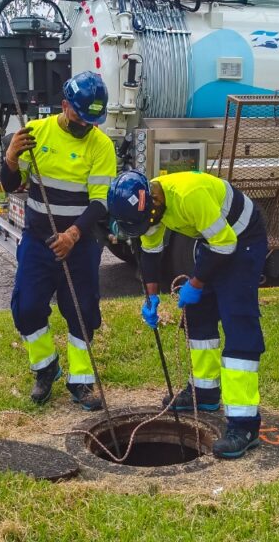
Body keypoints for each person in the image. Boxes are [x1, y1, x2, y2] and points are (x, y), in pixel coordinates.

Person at [107, 170, 268, 459]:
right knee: (197, 314)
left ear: (154, 205)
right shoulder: (151, 207)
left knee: (238, 322)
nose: (146, 227)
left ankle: (244, 426)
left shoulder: (188, 196)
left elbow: (226, 244)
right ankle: (204, 393)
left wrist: (196, 283)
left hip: (242, 239)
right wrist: (151, 296)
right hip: (214, 241)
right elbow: (151, 253)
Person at [0, 71, 117, 411]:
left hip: (80, 243)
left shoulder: (101, 145)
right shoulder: (35, 133)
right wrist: (10, 157)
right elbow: (11, 185)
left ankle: (80, 380)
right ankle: (45, 367)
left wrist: (73, 235)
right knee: (27, 308)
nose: (87, 125)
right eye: (82, 116)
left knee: (82, 312)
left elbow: (99, 203)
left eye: (94, 119)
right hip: (38, 241)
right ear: (65, 106)